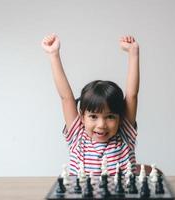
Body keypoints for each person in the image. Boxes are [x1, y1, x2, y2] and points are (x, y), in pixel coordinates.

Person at [41, 34, 139, 175]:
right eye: (93, 116)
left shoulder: (124, 135)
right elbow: (66, 98)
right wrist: (53, 54)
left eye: (110, 116)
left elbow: (132, 96)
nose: (101, 125)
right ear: (82, 117)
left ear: (120, 117)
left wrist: (133, 53)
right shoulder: (78, 136)